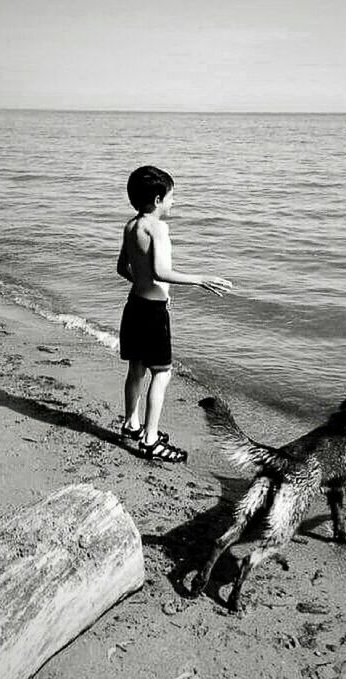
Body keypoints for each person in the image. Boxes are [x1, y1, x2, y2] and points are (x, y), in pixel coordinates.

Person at [117, 165, 232, 462]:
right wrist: (200, 279)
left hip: (133, 306)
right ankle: (150, 438)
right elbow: (161, 271)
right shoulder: (159, 228)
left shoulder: (131, 226)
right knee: (162, 373)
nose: (173, 202)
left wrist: (142, 283)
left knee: (136, 369)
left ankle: (131, 423)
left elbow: (122, 268)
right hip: (153, 312)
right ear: (157, 199)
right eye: (171, 197)